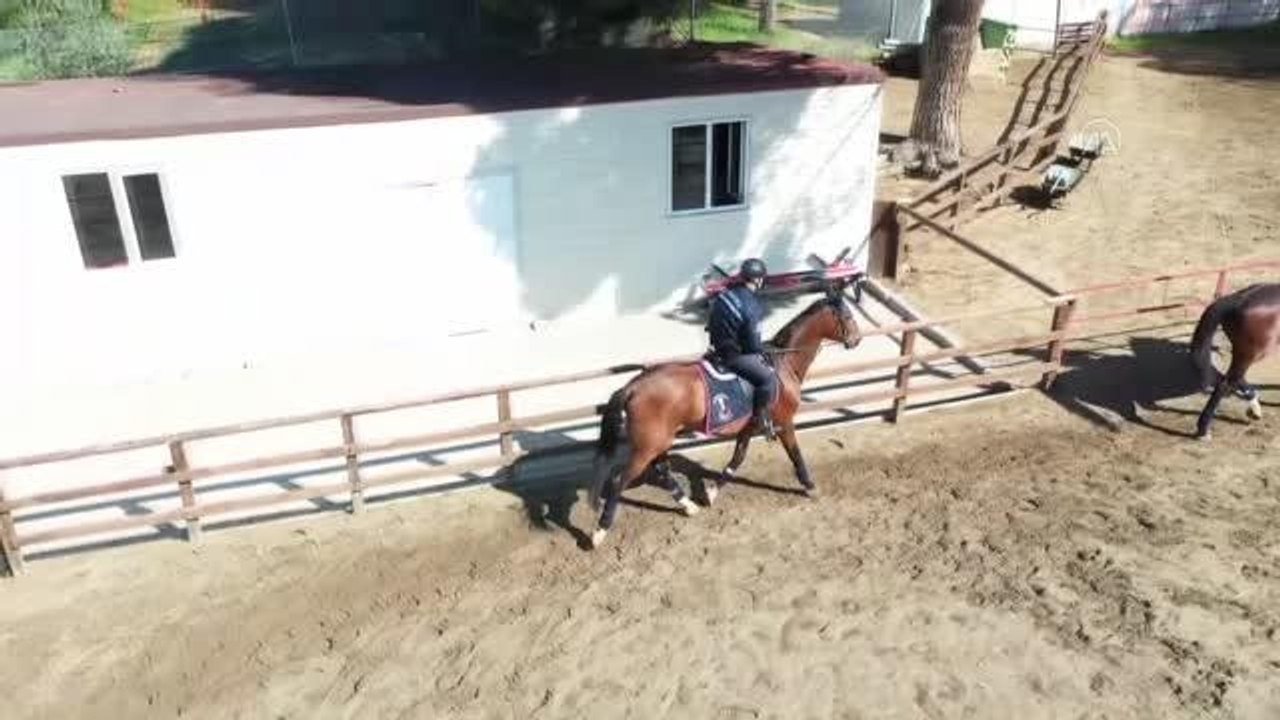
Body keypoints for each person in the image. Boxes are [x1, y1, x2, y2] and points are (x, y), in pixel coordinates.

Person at [706, 258, 777, 440]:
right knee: (768, 379)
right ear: (758, 280)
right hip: (734, 357)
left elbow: (710, 322)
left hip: (715, 348)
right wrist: (762, 350)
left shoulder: (725, 294)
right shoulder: (752, 306)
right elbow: (753, 345)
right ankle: (760, 418)